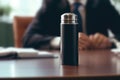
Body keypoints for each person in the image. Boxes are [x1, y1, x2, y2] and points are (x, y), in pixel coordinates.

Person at [22, 0, 120, 50]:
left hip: (99, 67)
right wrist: (63, 41)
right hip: (60, 68)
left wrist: (110, 42)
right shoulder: (51, 4)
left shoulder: (102, 3)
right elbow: (28, 38)